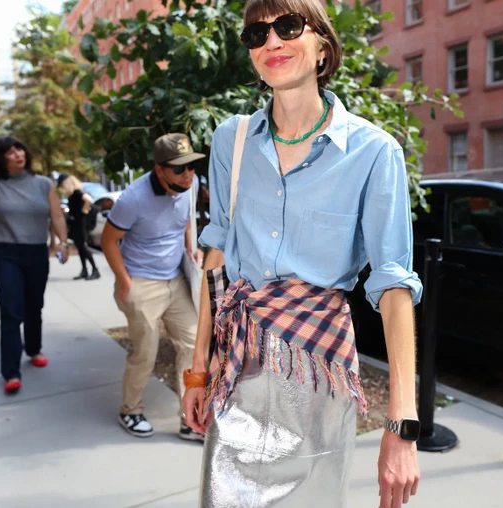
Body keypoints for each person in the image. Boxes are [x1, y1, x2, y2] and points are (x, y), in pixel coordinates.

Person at [182, 1, 423, 506]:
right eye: (256, 33)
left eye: (288, 26)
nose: (271, 42)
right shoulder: (232, 140)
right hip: (237, 372)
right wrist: (197, 371)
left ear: (322, 47)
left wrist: (401, 424)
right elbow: (216, 257)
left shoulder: (374, 153)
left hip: (314, 379)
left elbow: (394, 284)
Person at [101, 133, 203, 442]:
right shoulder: (133, 199)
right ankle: (130, 410)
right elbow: (108, 241)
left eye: (192, 167)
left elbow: (186, 220)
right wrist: (125, 282)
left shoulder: (190, 185)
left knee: (192, 344)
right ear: (160, 170)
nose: (188, 174)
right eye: (179, 168)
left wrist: (191, 247)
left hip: (176, 278)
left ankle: (190, 417)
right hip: (142, 281)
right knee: (146, 352)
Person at [0, 136, 70, 395]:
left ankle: (33, 348)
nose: (18, 153)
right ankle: (10, 371)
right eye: (10, 151)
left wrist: (63, 243)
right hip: (5, 254)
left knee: (34, 306)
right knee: (11, 312)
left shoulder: (43, 184)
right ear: (0, 158)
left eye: (20, 148)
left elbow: (55, 215)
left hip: (37, 253)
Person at [58, 174, 100, 280]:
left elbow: (88, 200)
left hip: (80, 224)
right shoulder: (71, 195)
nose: (62, 187)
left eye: (62, 184)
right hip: (76, 224)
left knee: (83, 247)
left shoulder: (77, 192)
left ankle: (95, 270)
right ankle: (84, 270)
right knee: (80, 248)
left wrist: (84, 211)